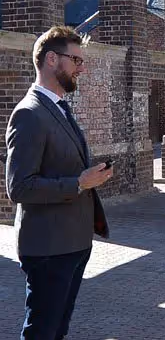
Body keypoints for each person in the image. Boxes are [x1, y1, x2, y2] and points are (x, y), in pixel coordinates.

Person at [5, 26, 113, 340]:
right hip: (48, 248)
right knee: (42, 332)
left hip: (74, 243)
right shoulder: (29, 113)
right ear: (52, 59)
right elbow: (20, 187)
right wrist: (78, 183)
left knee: (57, 331)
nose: (82, 67)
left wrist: (90, 178)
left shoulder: (58, 108)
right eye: (76, 60)